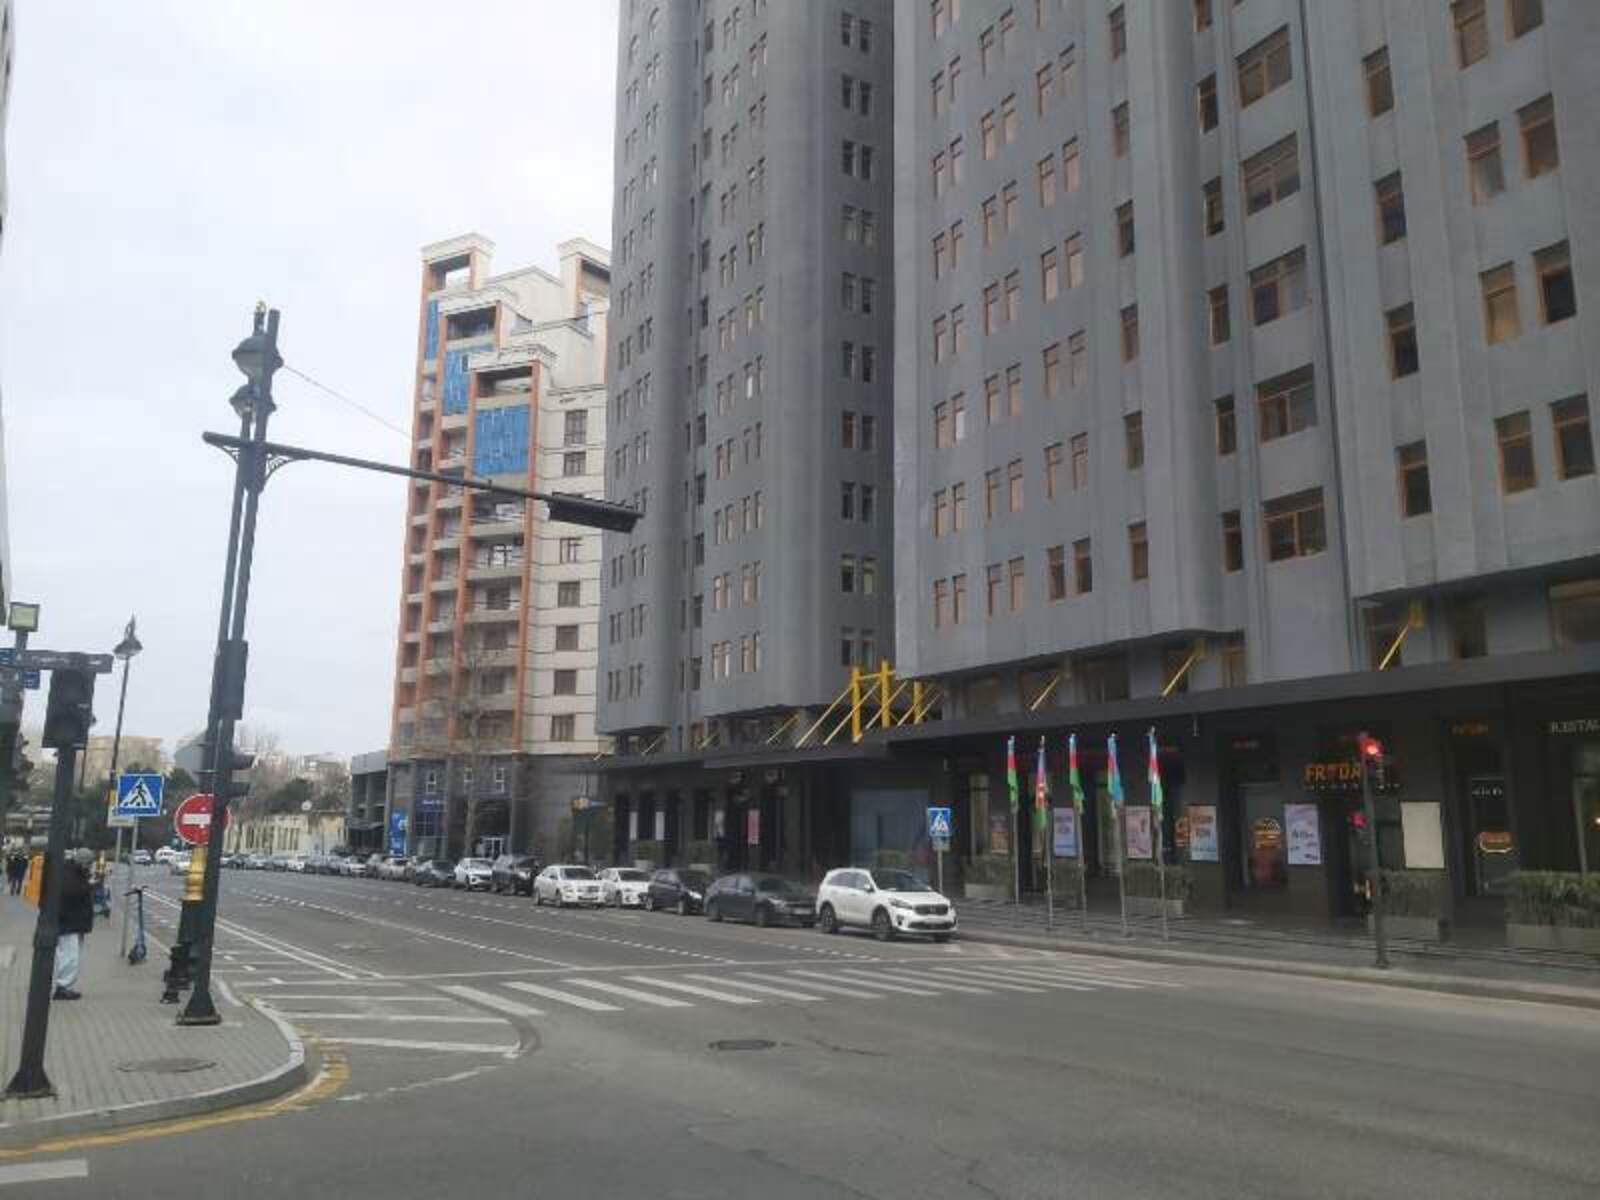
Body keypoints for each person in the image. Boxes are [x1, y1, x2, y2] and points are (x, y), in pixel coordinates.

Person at [51, 849, 95, 1000]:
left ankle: (63, 985)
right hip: (69, 923)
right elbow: (74, 893)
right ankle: (63, 987)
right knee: (70, 956)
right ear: (83, 862)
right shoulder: (72, 875)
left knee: (67, 955)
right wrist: (90, 885)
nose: (90, 867)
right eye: (89, 864)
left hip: (69, 922)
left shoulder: (69, 871)